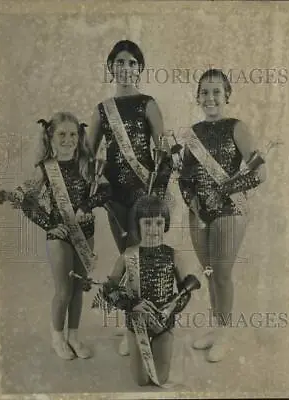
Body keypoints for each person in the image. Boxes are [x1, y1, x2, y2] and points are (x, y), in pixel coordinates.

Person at [0, 112, 111, 360]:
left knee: (78, 288)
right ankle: (57, 337)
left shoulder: (88, 164)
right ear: (50, 137)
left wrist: (86, 206)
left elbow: (106, 190)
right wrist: (48, 225)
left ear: (79, 136)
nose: (68, 139)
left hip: (86, 233)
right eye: (61, 134)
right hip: (59, 236)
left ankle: (74, 335)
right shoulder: (45, 169)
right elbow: (24, 200)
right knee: (64, 291)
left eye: (73, 134)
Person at [88, 40, 173, 355]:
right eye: (120, 62)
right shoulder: (102, 109)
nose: (126, 68)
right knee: (129, 258)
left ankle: (153, 323)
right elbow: (87, 154)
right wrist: (92, 181)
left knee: (147, 258)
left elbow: (163, 150)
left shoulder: (148, 103)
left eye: (132, 63)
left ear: (140, 68)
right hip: (115, 195)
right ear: (111, 67)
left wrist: (157, 195)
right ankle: (132, 327)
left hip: (143, 192)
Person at [178, 69, 267, 362]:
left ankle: (225, 334)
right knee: (210, 274)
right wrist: (191, 201)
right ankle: (216, 328)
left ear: (227, 94)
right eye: (205, 91)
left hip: (230, 209)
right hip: (199, 213)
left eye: (216, 91)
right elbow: (185, 177)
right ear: (197, 97)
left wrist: (223, 190)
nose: (210, 97)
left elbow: (260, 173)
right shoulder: (192, 133)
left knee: (223, 274)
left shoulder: (237, 127)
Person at [100, 195, 200, 386]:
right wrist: (132, 304)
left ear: (166, 225)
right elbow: (108, 291)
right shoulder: (127, 256)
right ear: (137, 224)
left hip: (163, 326)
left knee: (160, 379)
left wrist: (171, 308)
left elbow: (185, 292)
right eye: (147, 223)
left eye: (158, 223)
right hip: (136, 325)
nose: (153, 229)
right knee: (141, 381)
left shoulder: (174, 256)